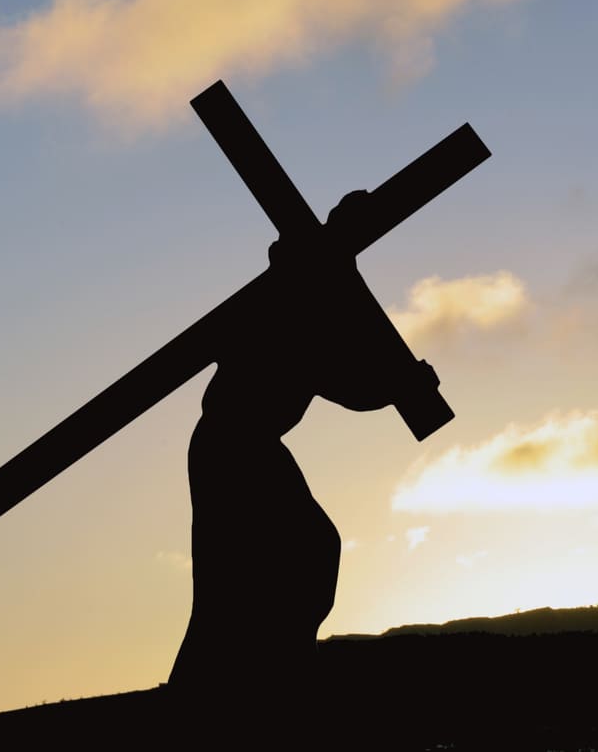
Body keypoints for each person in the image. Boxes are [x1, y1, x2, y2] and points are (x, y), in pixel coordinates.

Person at [166, 192, 436, 723]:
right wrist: (400, 385)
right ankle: (221, 694)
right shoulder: (290, 300)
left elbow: (341, 376)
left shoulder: (312, 298)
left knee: (301, 551)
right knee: (237, 578)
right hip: (232, 448)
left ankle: (277, 666)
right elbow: (343, 380)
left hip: (253, 447)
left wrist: (399, 384)